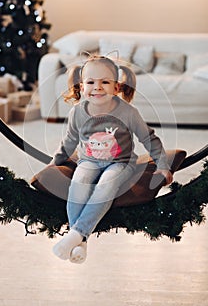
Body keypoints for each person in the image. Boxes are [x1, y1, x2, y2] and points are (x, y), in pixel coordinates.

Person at [51, 54, 173, 264]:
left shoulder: (127, 112)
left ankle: (75, 234)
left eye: (105, 82)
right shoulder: (78, 112)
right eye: (91, 82)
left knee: (106, 185)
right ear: (81, 86)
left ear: (116, 87)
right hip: (88, 160)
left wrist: (162, 165)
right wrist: (56, 162)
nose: (97, 87)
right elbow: (70, 140)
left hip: (121, 162)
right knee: (78, 183)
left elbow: (148, 137)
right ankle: (80, 240)